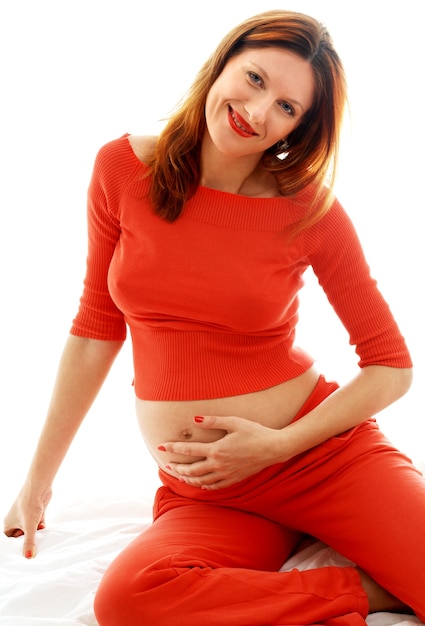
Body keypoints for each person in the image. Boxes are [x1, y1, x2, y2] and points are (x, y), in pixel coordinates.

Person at [4, 9, 425, 626]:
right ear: (224, 61)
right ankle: (365, 592)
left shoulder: (307, 209)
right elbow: (96, 328)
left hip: (323, 462)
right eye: (255, 79)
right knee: (129, 600)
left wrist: (278, 445)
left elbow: (390, 367)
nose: (257, 111)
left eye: (287, 107)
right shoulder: (121, 169)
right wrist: (37, 482)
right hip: (210, 491)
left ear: (299, 128)